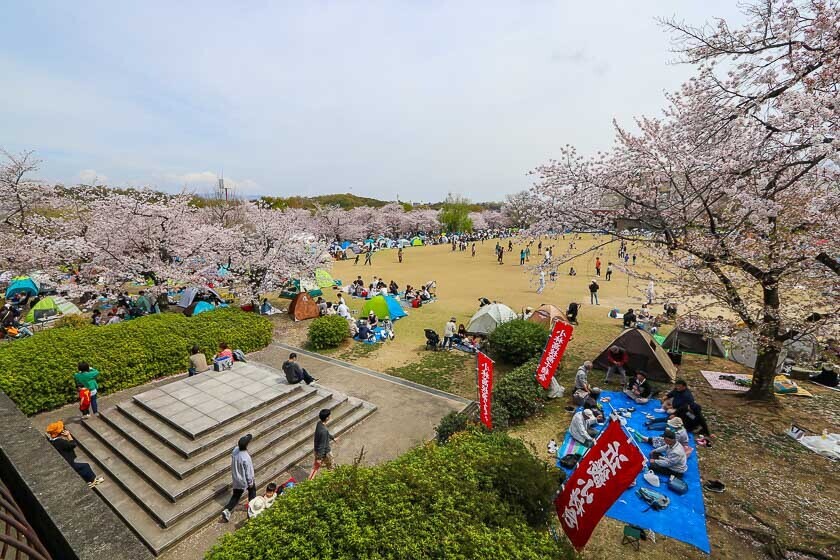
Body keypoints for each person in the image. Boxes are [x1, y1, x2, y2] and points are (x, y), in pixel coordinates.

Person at [46, 422, 104, 488]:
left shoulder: (53, 441)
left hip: (66, 460)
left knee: (81, 468)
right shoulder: (60, 442)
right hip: (68, 461)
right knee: (85, 466)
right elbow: (73, 444)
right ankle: (92, 480)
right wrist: (68, 436)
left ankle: (88, 481)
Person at [221, 434, 256, 522]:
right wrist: (250, 483)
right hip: (244, 480)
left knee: (236, 495)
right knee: (252, 492)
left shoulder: (236, 450)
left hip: (236, 478)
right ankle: (251, 511)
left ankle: (227, 510)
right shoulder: (246, 458)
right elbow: (248, 473)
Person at [308, 409, 337, 480]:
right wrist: (319, 458)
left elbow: (323, 435)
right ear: (327, 418)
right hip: (326, 453)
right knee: (331, 467)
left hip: (317, 451)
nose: (330, 416)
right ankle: (332, 481)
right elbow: (322, 445)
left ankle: (309, 481)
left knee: (315, 467)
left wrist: (332, 438)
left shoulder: (319, 424)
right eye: (329, 415)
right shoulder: (324, 430)